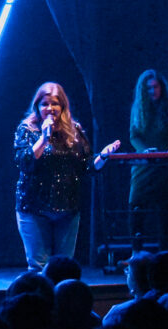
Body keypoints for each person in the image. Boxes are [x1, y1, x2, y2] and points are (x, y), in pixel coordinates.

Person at [13, 82, 121, 271]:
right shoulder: (28, 130)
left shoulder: (74, 130)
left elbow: (87, 166)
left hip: (67, 209)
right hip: (34, 208)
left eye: (55, 104)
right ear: (37, 106)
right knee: (39, 266)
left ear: (62, 106)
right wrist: (44, 137)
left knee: (63, 268)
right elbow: (25, 162)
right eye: (45, 104)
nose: (50, 108)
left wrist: (103, 156)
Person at [127, 69, 168, 251]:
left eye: (155, 87)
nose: (153, 91)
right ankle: (136, 252)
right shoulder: (137, 109)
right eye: (148, 88)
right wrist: (144, 151)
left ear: (162, 87)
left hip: (167, 167)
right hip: (145, 166)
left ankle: (164, 252)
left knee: (165, 211)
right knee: (136, 207)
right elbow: (134, 136)